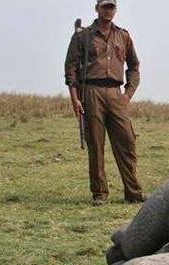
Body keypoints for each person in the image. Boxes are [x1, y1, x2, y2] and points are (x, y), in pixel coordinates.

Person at [65, 0, 145, 206]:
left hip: (116, 93)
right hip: (91, 91)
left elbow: (134, 65)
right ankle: (100, 193)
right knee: (96, 144)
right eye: (104, 6)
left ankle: (133, 193)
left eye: (112, 7)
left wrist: (127, 94)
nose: (108, 10)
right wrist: (75, 98)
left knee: (127, 142)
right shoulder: (82, 36)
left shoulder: (123, 35)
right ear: (97, 8)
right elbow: (71, 68)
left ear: (115, 9)